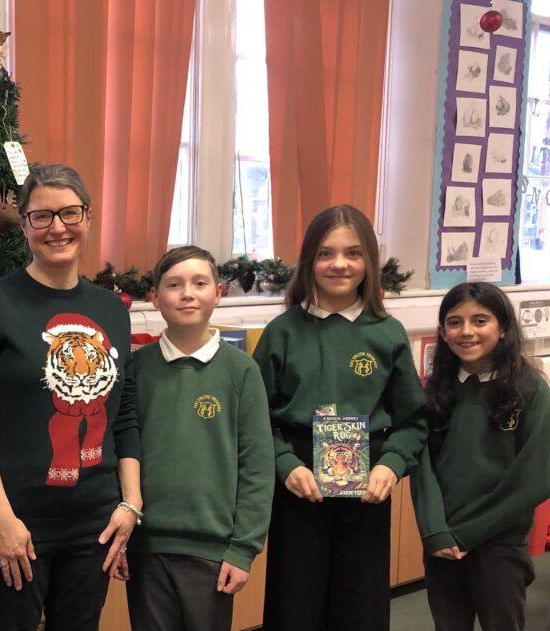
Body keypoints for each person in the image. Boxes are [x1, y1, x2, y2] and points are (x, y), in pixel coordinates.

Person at [0, 163, 142, 631]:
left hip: (94, 526)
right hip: (13, 525)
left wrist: (130, 504)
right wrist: (1, 518)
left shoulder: (111, 309)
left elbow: (126, 414)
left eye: (69, 213)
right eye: (41, 216)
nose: (58, 227)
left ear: (88, 218)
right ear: (26, 225)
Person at [252, 204, 428, 631]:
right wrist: (283, 463)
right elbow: (253, 420)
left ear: (368, 260)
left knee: (360, 605)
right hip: (299, 485)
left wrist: (392, 464)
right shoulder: (282, 332)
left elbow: (415, 421)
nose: (340, 264)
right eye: (326, 253)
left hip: (366, 488)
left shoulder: (386, 333)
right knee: (295, 604)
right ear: (309, 260)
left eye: (352, 253)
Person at [126, 246, 273, 631]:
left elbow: (257, 465)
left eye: (199, 283)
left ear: (218, 293)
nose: (187, 293)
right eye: (174, 285)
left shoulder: (242, 371)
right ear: (155, 297)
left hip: (213, 551)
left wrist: (244, 549)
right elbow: (123, 450)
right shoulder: (137, 368)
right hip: (147, 547)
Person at [411, 282, 550, 631]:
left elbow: (535, 475)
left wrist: (469, 532)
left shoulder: (529, 388)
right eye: (455, 322)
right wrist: (435, 531)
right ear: (442, 332)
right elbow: (422, 467)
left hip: (499, 541)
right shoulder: (437, 390)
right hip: (444, 543)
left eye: (480, 320)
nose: (467, 331)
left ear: (503, 328)